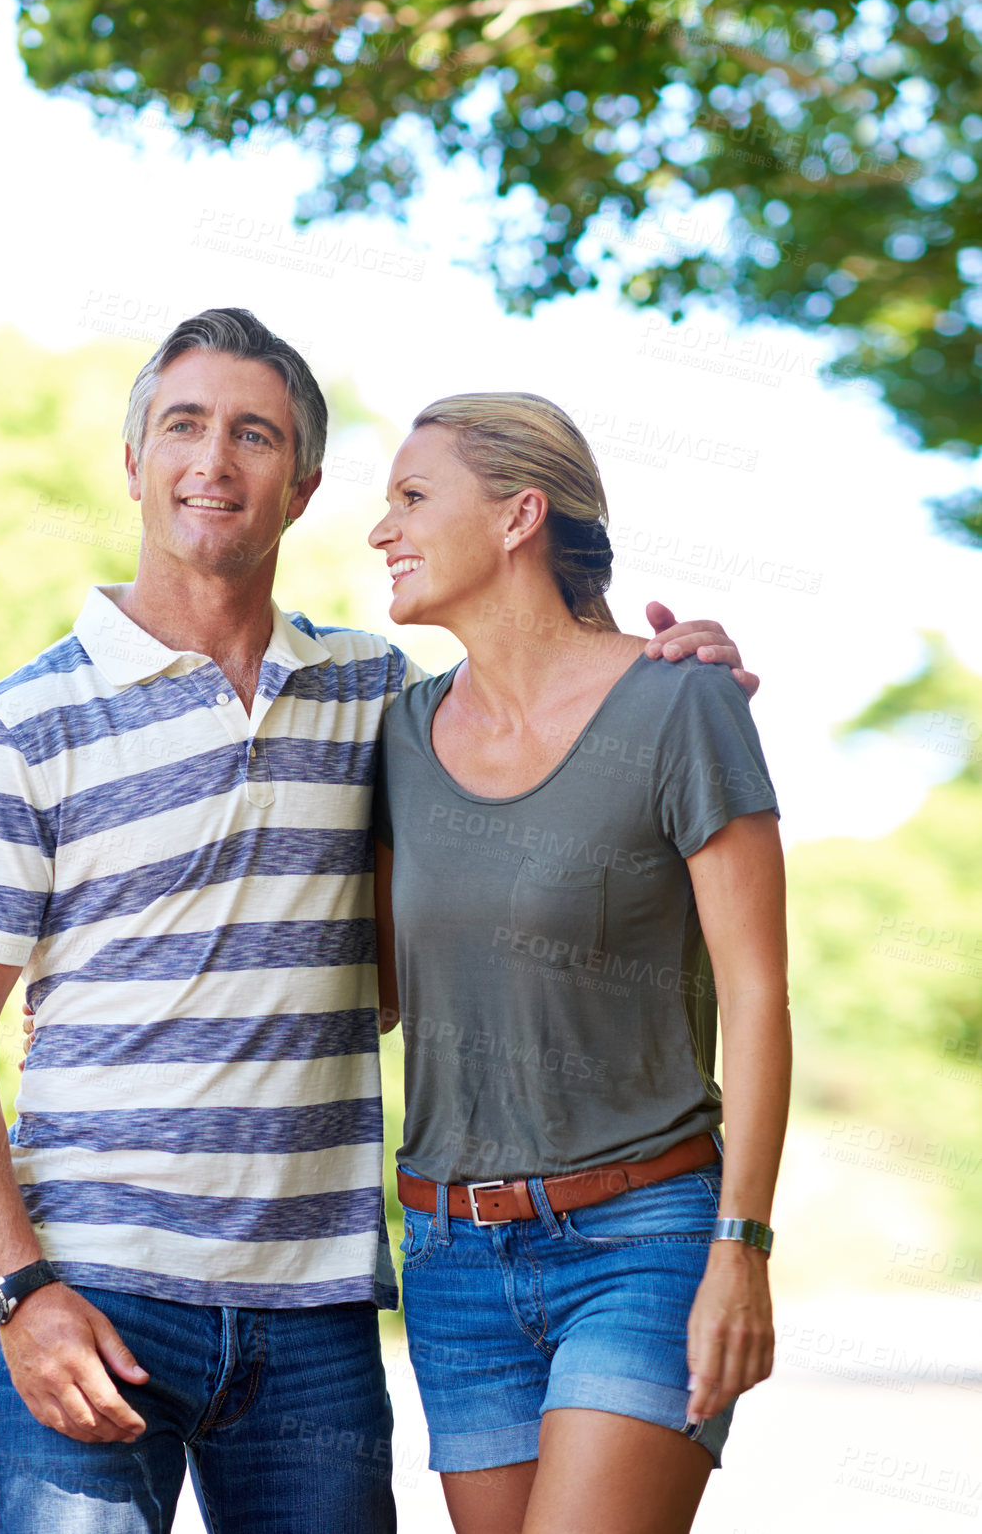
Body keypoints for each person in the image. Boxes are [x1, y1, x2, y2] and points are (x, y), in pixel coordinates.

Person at [0, 309, 759, 1534]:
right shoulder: (19, 725)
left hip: (315, 1313)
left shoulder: (384, 701)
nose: (214, 459)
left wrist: (674, 670)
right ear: (133, 461)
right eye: (183, 425)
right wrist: (17, 1287)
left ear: (300, 486)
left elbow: (515, 769)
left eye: (254, 434)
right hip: (92, 1292)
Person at [368, 392, 789, 1534]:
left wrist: (741, 1245)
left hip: (643, 1241)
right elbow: (385, 990)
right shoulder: (397, 735)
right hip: (451, 1259)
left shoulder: (683, 702)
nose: (379, 529)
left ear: (518, 517)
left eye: (412, 496)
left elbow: (756, 994)